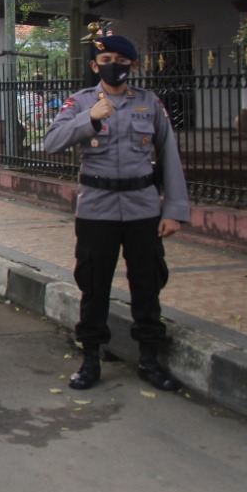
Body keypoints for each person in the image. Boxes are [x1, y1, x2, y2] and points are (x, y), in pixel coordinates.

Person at [43, 34, 188, 392]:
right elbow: (50, 143)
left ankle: (149, 359)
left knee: (147, 282)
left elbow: (169, 156)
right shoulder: (80, 102)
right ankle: (91, 357)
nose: (114, 65)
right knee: (94, 284)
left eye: (122, 60)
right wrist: (88, 119)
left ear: (133, 65)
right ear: (95, 66)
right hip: (97, 208)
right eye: (106, 59)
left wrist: (173, 210)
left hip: (141, 208)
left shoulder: (149, 104)